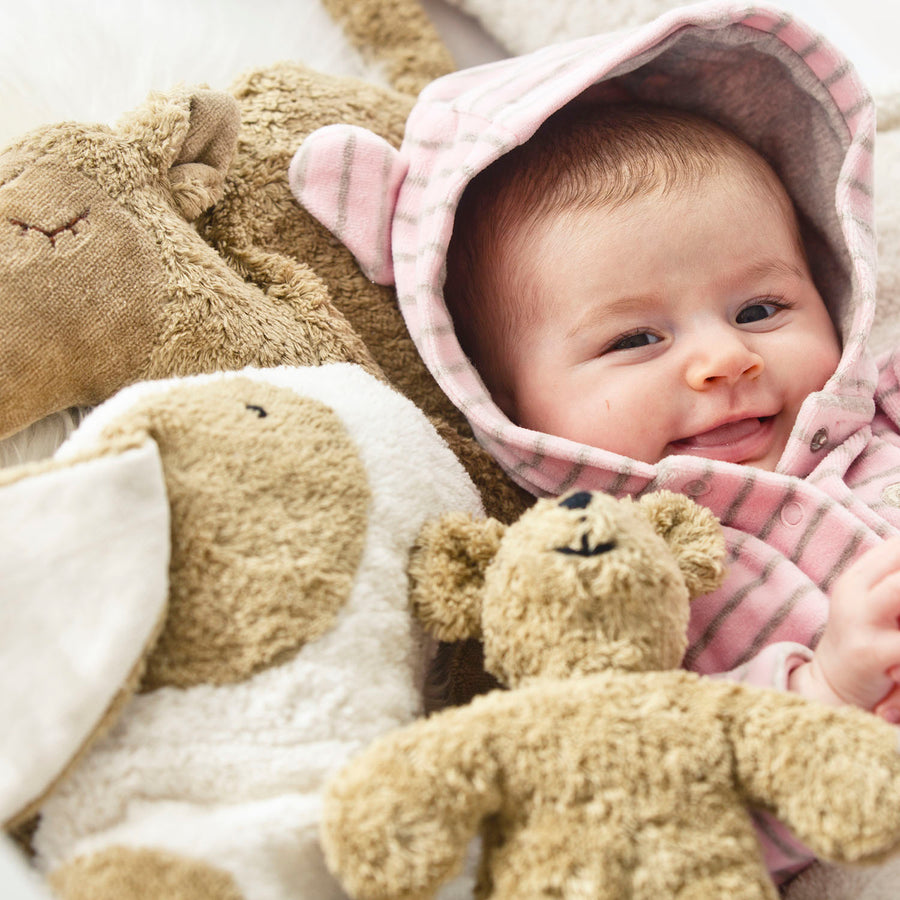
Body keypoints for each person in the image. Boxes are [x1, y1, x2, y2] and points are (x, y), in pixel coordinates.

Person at [293, 2, 898, 884]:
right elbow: (653, 792)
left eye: (761, 310)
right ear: (500, 398)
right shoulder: (610, 576)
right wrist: (832, 691)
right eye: (634, 340)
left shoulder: (875, 406)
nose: (724, 358)